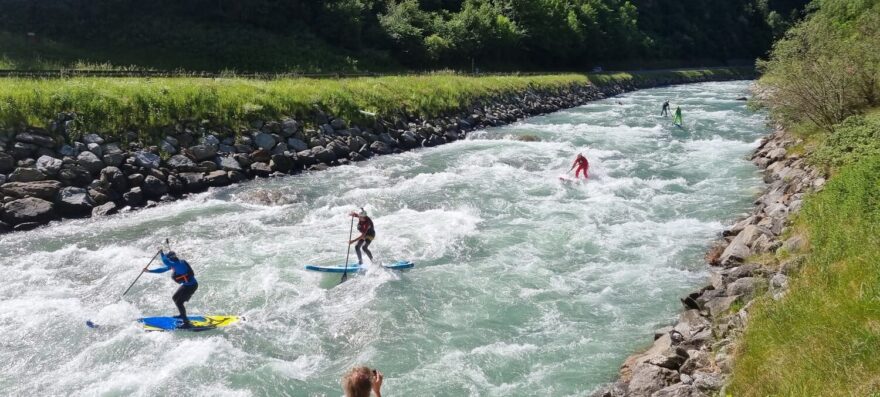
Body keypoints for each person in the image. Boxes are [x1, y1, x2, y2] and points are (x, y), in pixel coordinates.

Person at [147, 250, 198, 328]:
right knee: (175, 297)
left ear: (170, 259)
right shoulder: (178, 263)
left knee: (179, 302)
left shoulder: (176, 264)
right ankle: (182, 315)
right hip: (187, 285)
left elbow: (165, 261)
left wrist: (161, 253)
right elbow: (162, 270)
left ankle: (186, 322)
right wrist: (149, 271)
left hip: (191, 286)